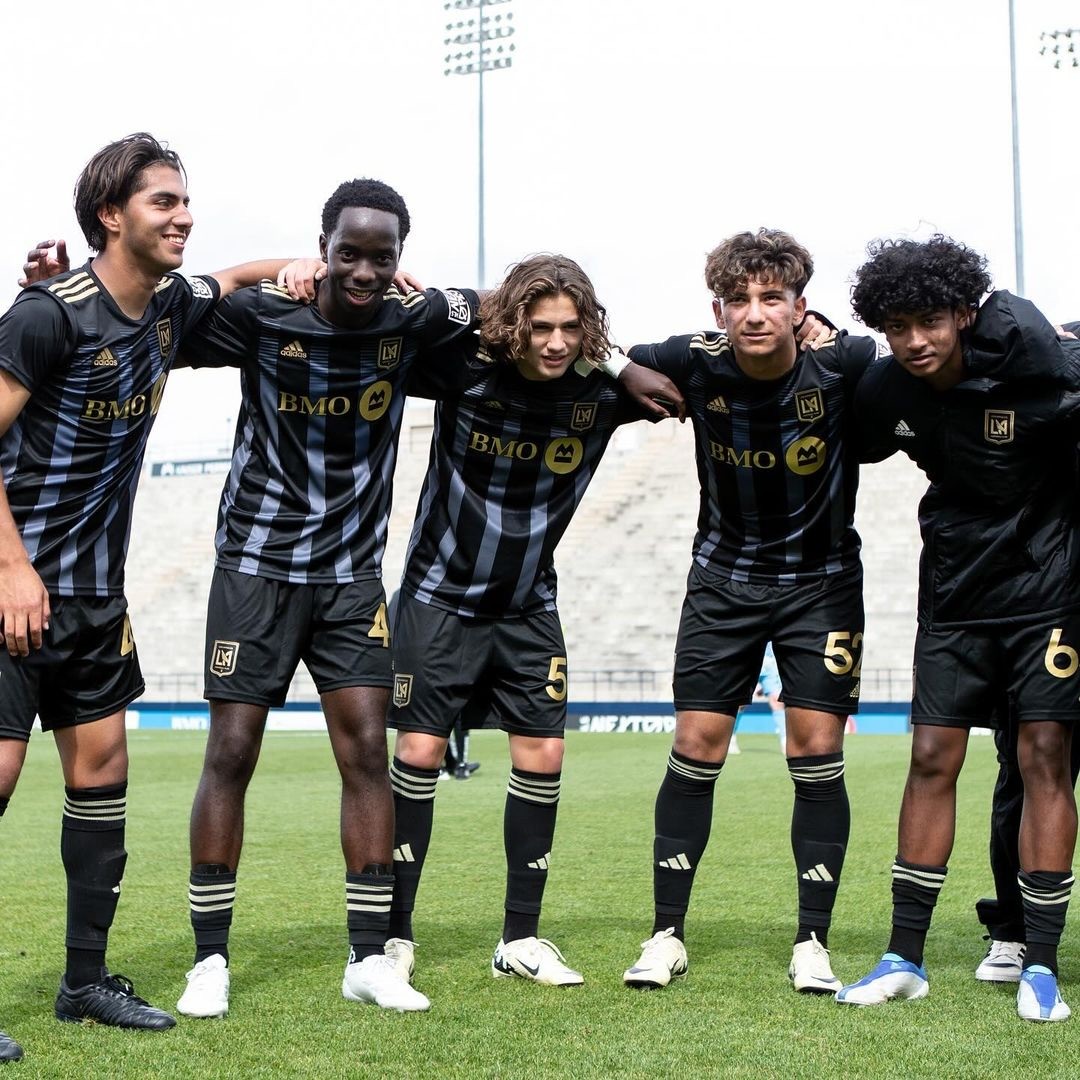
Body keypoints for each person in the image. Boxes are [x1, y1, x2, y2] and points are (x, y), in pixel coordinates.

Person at [0, 133, 311, 1060]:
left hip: (94, 598)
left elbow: (232, 275)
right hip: (12, 590)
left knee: (101, 785)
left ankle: (85, 982)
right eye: (162, 202)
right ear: (110, 215)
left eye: (184, 201)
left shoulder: (170, 307)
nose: (181, 215)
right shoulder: (48, 316)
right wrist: (11, 569)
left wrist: (296, 267)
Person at [170, 178, 488, 1017]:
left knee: (366, 755)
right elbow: (177, 300)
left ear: (399, 261)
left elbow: (516, 305)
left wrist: (441, 294)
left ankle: (367, 958)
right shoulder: (266, 316)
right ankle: (209, 962)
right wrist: (273, 265)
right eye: (349, 252)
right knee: (231, 753)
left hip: (351, 580)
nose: (364, 270)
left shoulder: (413, 317)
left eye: (382, 257)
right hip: (256, 568)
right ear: (324, 248)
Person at [385, 255, 680, 995]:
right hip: (437, 597)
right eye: (539, 325)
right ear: (513, 323)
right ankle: (393, 934)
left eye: (570, 328)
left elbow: (720, 366)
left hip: (528, 605)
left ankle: (520, 936)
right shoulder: (463, 369)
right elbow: (389, 326)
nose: (554, 342)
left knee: (544, 755)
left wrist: (617, 366)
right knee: (419, 752)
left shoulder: (601, 390)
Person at [616, 229, 877, 995]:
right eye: (740, 300)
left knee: (815, 750)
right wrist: (623, 369)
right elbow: (598, 344)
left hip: (821, 583)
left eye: (773, 299)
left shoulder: (845, 364)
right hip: (723, 581)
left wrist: (836, 326)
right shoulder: (693, 360)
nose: (755, 313)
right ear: (718, 308)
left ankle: (813, 941)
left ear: (801, 308)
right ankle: (666, 932)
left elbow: (886, 356)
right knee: (696, 744)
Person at [835, 235, 1080, 1023]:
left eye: (930, 321)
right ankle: (905, 955)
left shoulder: (1038, 367)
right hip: (955, 593)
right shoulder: (885, 390)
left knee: (1044, 756)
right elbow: (848, 426)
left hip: (1049, 590)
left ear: (964, 314)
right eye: (896, 325)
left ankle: (1038, 962)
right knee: (931, 755)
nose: (914, 341)